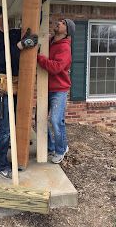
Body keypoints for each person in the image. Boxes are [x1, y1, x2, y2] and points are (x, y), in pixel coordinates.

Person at [0, 5, 38, 179]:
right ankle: (0, 165)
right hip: (1, 86)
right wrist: (21, 45)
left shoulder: (9, 33)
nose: (7, 17)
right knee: (6, 128)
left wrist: (40, 6)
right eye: (4, 14)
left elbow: (32, 26)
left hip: (12, 84)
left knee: (8, 126)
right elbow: (1, 57)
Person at [37, 18, 75, 164]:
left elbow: (56, 68)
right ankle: (51, 146)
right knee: (39, 119)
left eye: (63, 23)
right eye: (59, 21)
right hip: (45, 88)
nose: (59, 23)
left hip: (59, 89)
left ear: (67, 32)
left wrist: (39, 58)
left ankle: (61, 149)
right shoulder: (50, 42)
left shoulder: (65, 47)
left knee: (55, 120)